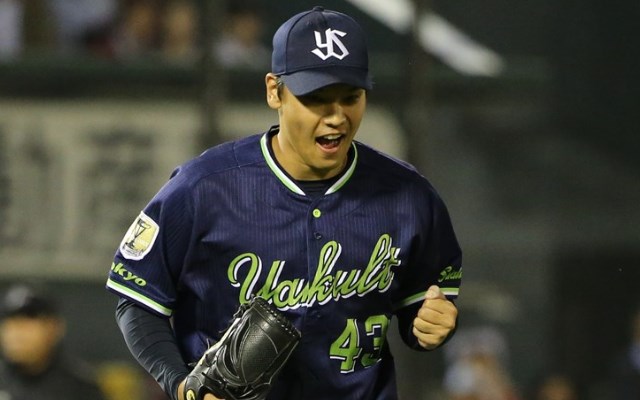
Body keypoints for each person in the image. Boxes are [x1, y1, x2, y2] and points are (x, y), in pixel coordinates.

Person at [106, 6, 463, 400]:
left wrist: (431, 324)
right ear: (274, 91)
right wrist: (179, 384)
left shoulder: (409, 196)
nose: (336, 117)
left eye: (351, 97)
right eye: (317, 98)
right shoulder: (204, 188)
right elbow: (136, 300)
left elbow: (423, 308)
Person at [0, 283, 106, 400]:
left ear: (54, 328)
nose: (17, 333)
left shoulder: (80, 387)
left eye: (28, 322)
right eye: (10, 323)